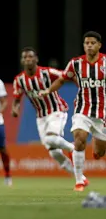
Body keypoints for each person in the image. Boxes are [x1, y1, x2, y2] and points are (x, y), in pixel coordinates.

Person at [40, 31, 106, 191]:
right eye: (86, 43)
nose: (89, 45)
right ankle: (79, 181)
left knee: (99, 153)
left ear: (99, 45)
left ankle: (96, 147)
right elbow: (62, 78)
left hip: (102, 113)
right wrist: (48, 91)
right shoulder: (76, 63)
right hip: (82, 109)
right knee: (79, 138)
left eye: (92, 43)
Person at [12, 47, 88, 186]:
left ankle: (73, 149)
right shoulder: (19, 80)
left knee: (51, 137)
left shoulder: (47, 72)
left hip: (56, 110)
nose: (28, 59)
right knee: (54, 154)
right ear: (22, 60)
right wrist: (15, 109)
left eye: (30, 56)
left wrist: (82, 89)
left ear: (36, 59)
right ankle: (81, 177)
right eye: (25, 57)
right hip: (40, 117)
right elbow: (17, 98)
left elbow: (67, 75)